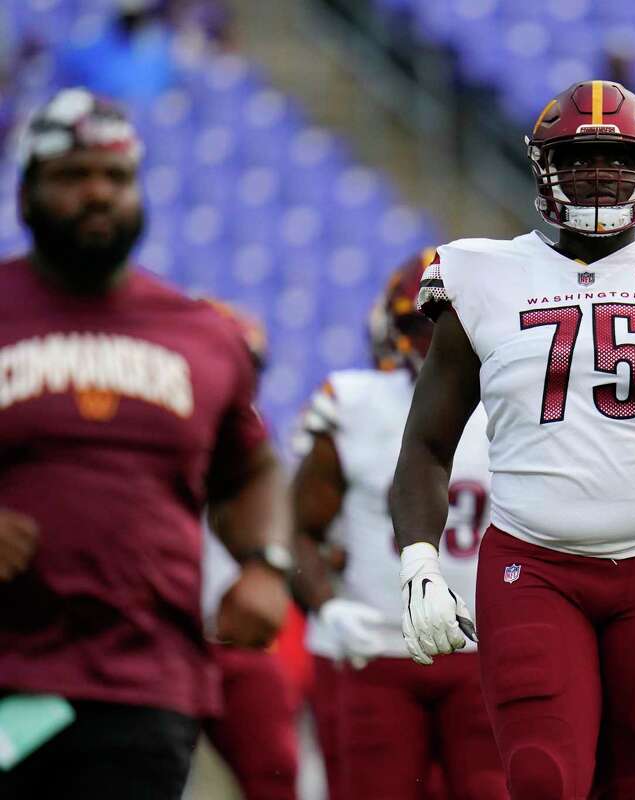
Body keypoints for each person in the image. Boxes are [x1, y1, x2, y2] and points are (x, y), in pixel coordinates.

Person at [390, 80, 635, 799]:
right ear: (543, 167)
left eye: (615, 157)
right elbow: (425, 446)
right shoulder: (480, 274)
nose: (599, 172)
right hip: (532, 563)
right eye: (579, 157)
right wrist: (419, 561)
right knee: (542, 779)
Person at [0, 88, 290, 799]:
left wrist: (266, 563)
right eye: (72, 176)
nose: (97, 194)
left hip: (145, 678)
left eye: (115, 176)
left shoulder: (201, 332)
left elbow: (250, 465)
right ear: (28, 194)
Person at [291, 250, 506, 800]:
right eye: (421, 324)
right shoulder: (354, 404)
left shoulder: (531, 405)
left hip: (490, 652)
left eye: (455, 325)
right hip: (376, 647)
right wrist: (326, 605)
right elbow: (297, 531)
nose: (438, 343)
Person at [197, 300, 300, 800]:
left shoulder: (252, 435)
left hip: (234, 634)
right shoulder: (152, 414)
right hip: (153, 633)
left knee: (274, 774)